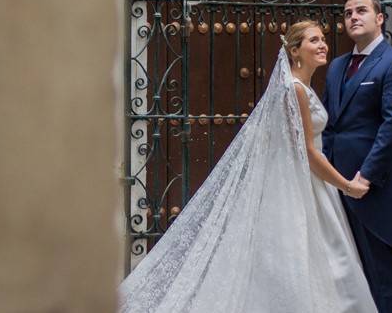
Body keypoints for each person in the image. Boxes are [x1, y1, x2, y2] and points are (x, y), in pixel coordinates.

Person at [119, 20, 376, 313]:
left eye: (323, 39)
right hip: (305, 184)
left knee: (323, 261)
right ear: (295, 51)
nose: (323, 45)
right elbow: (307, 152)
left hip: (308, 185)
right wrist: (347, 185)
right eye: (314, 40)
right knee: (320, 261)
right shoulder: (296, 90)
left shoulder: (300, 86)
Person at [322, 0, 392, 313]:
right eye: (348, 12)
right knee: (352, 273)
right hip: (338, 185)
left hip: (375, 188)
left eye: (361, 10)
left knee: (385, 272)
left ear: (379, 19)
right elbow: (329, 124)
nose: (353, 16)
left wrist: (366, 176)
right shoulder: (336, 67)